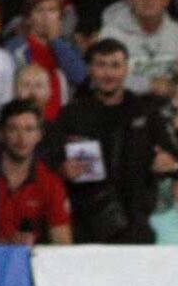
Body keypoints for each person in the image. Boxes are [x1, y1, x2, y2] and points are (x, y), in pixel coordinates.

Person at [53, 38, 157, 243]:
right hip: (86, 221)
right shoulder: (71, 114)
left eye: (115, 66)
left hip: (136, 222)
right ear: (90, 69)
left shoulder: (145, 111)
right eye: (101, 65)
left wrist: (169, 162)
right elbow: (49, 158)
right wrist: (62, 169)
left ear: (126, 69)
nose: (108, 73)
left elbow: (177, 158)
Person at [0, 99, 73, 245]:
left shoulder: (50, 183)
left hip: (31, 257)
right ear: (1, 133)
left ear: (40, 135)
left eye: (29, 129)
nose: (21, 138)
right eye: (13, 129)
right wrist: (6, 243)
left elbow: (63, 244)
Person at [3, 0, 87, 121]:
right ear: (29, 18)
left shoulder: (68, 47)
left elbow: (80, 77)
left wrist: (55, 40)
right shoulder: (15, 48)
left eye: (52, 10)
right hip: (25, 122)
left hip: (60, 122)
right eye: (39, 10)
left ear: (60, 16)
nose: (46, 17)